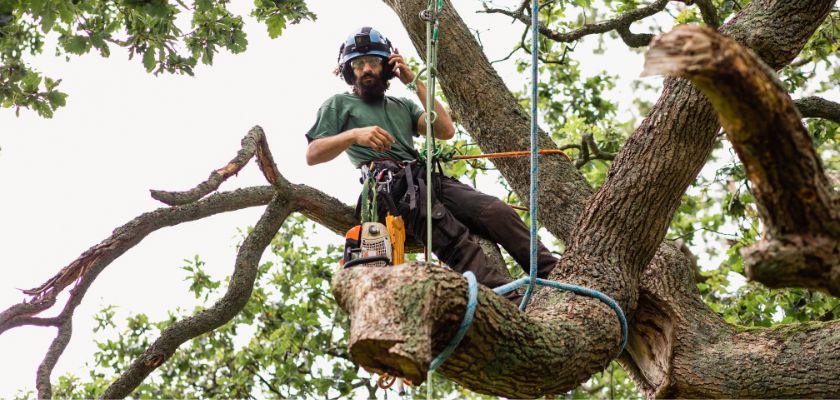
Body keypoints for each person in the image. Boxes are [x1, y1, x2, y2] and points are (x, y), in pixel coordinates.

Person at [305, 27, 557, 303]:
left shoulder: (401, 105)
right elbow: (313, 154)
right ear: (348, 71)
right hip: (389, 185)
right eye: (358, 64)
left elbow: (445, 129)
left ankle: (554, 272)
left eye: (374, 62)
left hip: (424, 177)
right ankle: (509, 300)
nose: (366, 69)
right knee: (450, 232)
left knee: (496, 211)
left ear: (387, 67)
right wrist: (355, 134)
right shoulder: (340, 104)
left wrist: (413, 80)